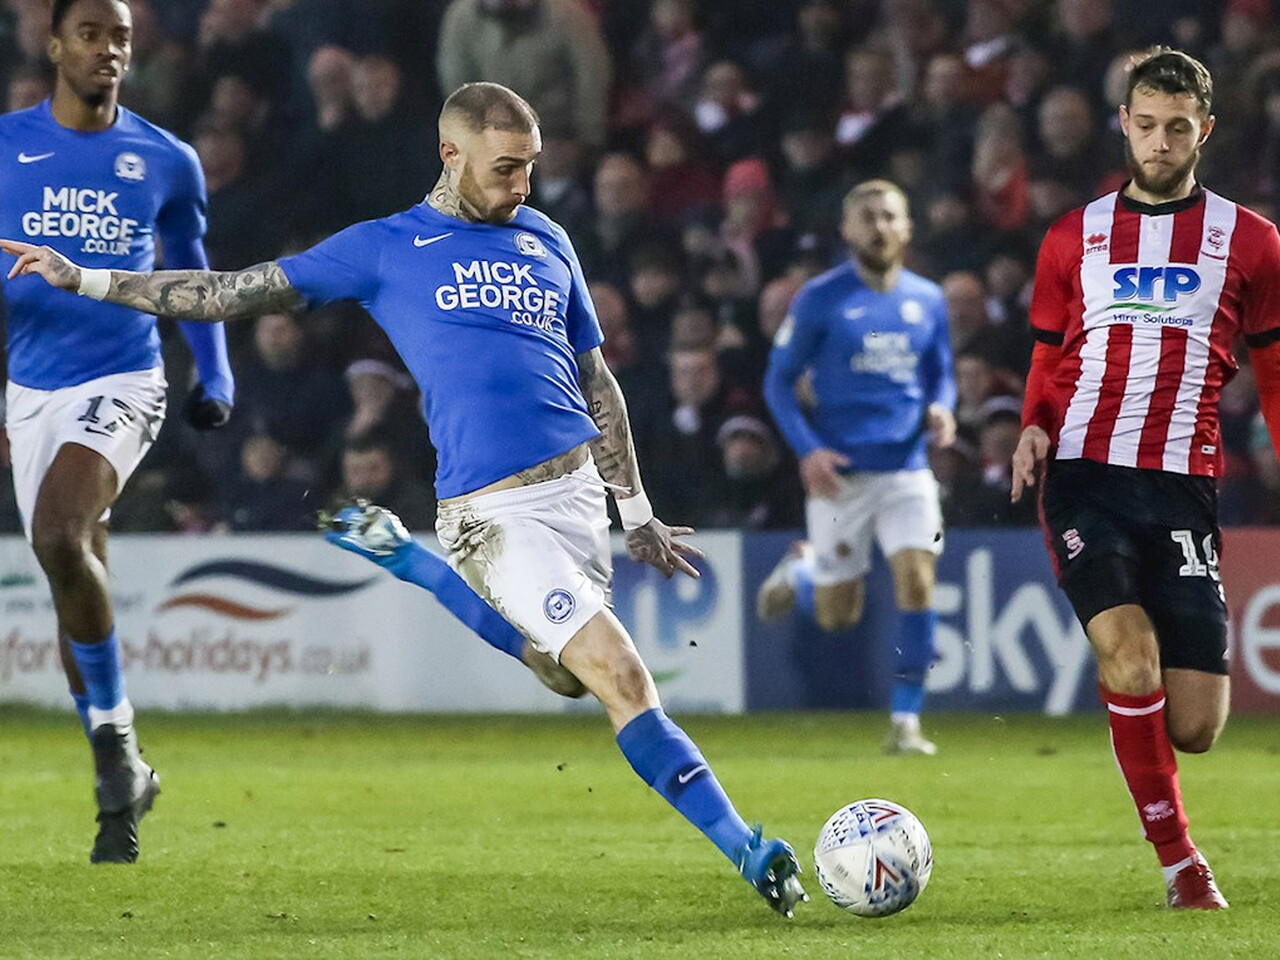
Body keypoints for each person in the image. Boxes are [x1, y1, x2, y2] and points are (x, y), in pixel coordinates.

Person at [2, 81, 808, 918]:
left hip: (577, 501)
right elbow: (231, 290)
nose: (523, 185)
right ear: (451, 154)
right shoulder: (386, 247)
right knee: (624, 677)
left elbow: (595, 379)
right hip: (495, 519)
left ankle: (408, 562)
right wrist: (88, 278)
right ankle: (750, 851)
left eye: (530, 167)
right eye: (506, 168)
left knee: (565, 675)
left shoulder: (546, 237)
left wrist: (634, 510)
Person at [1009, 48, 1280, 911]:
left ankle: (1138, 735)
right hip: (1083, 472)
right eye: (1147, 124)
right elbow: (1047, 354)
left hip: (1183, 485)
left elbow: (1273, 370)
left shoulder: (1252, 241)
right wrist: (1032, 426)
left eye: (1178, 128)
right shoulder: (1073, 236)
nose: (1160, 142)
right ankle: (1182, 865)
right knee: (1129, 657)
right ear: (1124, 123)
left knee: (1195, 724)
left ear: (1205, 130)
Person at [0, 0, 235, 863]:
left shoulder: (165, 158)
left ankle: (111, 766)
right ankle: (122, 759)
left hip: (125, 378)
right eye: (92, 34)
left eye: (122, 37)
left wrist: (215, 373)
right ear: (55, 44)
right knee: (74, 573)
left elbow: (191, 269)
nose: (109, 49)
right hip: (30, 388)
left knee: (58, 534)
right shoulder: (5, 145)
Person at [760, 180, 956, 756]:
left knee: (918, 582)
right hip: (841, 473)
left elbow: (941, 373)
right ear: (846, 230)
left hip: (906, 469)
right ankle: (802, 571)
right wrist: (808, 450)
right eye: (867, 217)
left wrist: (943, 407)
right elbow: (777, 381)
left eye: (889, 216)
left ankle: (906, 721)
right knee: (837, 615)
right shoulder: (820, 298)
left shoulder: (928, 299)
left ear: (907, 227)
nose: (879, 227)